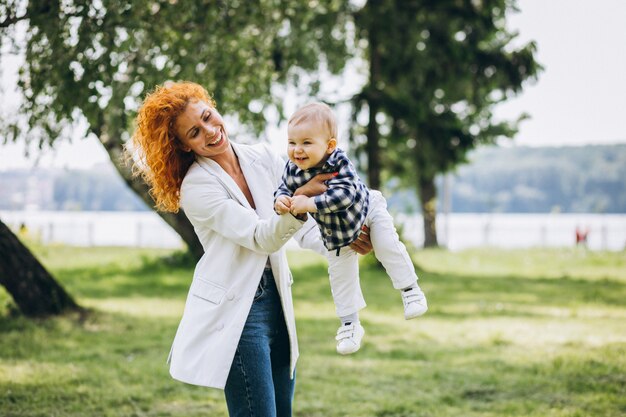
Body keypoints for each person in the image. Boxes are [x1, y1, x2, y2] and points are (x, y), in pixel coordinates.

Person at [130, 82, 372, 417]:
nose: (212, 131)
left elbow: (303, 234)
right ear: (184, 146)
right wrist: (303, 203)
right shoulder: (197, 187)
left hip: (279, 302)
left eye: (208, 116)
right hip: (240, 314)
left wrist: (343, 238)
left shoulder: (263, 157)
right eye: (195, 132)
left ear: (213, 106)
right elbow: (262, 237)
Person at [274, 102, 428, 355]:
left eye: (306, 143)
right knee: (340, 276)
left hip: (367, 212)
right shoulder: (292, 169)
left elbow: (344, 196)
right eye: (292, 142)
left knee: (387, 245)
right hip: (336, 233)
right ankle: (350, 324)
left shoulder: (339, 162)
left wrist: (309, 203)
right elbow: (283, 189)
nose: (297, 150)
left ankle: (410, 289)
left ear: (329, 146)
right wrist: (280, 201)